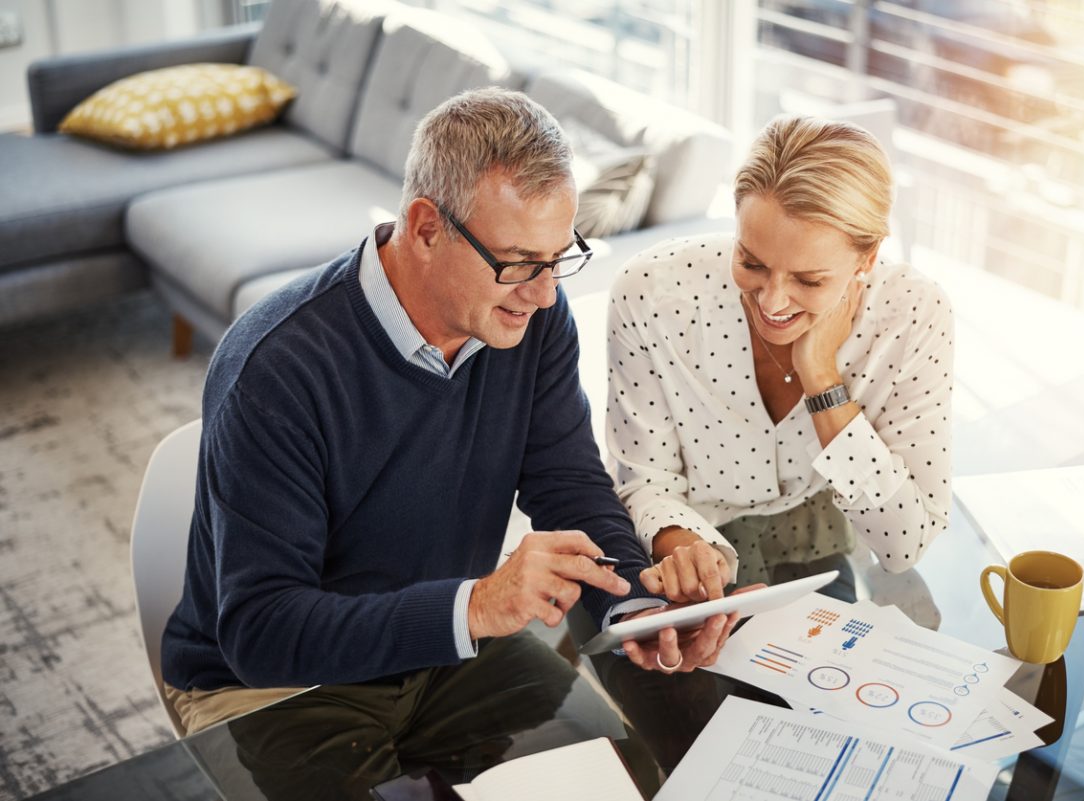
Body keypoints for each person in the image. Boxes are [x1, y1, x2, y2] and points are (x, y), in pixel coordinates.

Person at [159, 88, 738, 745]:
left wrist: (640, 604)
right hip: (277, 683)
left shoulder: (533, 320)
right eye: (519, 263)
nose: (545, 292)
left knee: (617, 774)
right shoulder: (277, 368)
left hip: (445, 645)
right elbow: (261, 632)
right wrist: (477, 605)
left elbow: (569, 485)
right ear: (427, 228)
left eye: (558, 258)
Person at [606, 114, 954, 604]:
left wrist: (822, 380)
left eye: (809, 281)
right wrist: (685, 551)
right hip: (674, 540)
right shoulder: (651, 293)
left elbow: (904, 543)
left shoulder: (912, 315)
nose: (771, 302)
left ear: (868, 257)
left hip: (813, 539)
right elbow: (644, 480)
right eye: (751, 262)